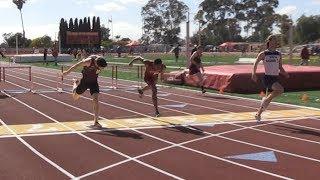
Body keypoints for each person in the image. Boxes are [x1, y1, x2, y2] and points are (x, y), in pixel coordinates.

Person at [60, 55, 108, 128]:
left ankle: (96, 122)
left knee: (96, 100)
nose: (101, 69)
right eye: (101, 68)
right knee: (75, 97)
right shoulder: (88, 61)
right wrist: (67, 72)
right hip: (84, 82)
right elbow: (76, 65)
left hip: (94, 82)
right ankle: (75, 84)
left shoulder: (101, 60)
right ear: (96, 64)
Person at [252, 35, 290, 122]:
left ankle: (258, 114)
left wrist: (285, 74)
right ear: (269, 41)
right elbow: (255, 63)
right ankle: (266, 99)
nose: (275, 42)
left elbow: (280, 67)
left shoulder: (278, 54)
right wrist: (253, 73)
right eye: (273, 40)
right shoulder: (263, 54)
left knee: (269, 99)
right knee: (280, 90)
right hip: (267, 78)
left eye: (276, 40)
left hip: (275, 77)